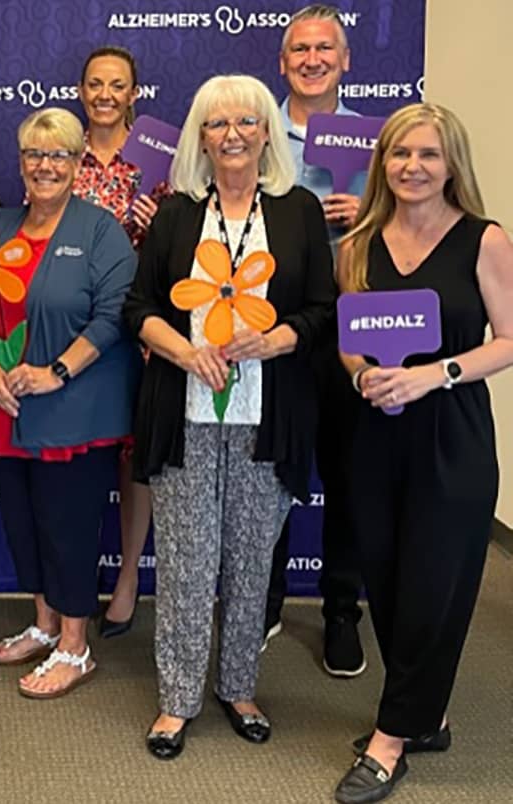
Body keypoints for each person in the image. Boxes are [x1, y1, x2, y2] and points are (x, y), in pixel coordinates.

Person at [123, 75, 335, 758]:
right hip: (184, 414)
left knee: (250, 562)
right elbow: (139, 308)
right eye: (218, 124)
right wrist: (184, 350)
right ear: (201, 138)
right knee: (185, 563)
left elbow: (323, 310)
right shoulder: (179, 213)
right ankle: (178, 699)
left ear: (267, 132)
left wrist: (278, 339)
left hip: (267, 417)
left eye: (247, 121)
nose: (233, 135)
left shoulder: (299, 210)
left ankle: (239, 686)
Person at [332, 103, 513, 804]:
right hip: (375, 432)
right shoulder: (358, 241)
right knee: (389, 579)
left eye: (429, 155)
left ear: (451, 165)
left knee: (436, 587)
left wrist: (434, 373)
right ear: (382, 162)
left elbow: (507, 338)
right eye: (401, 154)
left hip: (452, 435)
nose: (413, 167)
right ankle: (427, 715)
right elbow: (349, 336)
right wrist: (360, 374)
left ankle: (390, 739)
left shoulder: (484, 240)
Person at [0, 108, 138, 698]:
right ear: (20, 163)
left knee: (69, 530)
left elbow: (116, 313)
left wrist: (57, 371)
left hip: (72, 410)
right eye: (35, 155)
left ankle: (74, 644)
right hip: (7, 409)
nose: (45, 166)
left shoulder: (99, 229)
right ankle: (43, 623)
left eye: (58, 155)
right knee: (24, 524)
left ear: (77, 162)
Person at [265, 2, 370, 676]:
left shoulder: (379, 138)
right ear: (283, 62)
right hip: (273, 326)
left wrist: (372, 212)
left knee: (350, 475)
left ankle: (340, 611)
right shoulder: (256, 130)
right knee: (269, 471)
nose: (311, 60)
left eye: (323, 49)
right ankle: (263, 600)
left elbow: (418, 221)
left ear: (345, 60)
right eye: (299, 49)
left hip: (354, 324)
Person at [72, 45, 166, 638]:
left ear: (135, 93)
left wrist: (164, 224)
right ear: (82, 90)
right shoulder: (61, 150)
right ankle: (72, 582)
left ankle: (128, 577)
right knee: (79, 461)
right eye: (95, 84)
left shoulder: (163, 155)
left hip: (141, 326)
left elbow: (187, 246)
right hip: (77, 325)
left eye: (118, 85)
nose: (105, 94)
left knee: (136, 461)